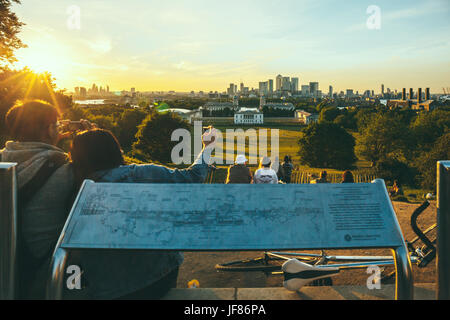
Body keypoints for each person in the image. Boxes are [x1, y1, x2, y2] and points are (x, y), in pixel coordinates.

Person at [66, 128, 215, 300]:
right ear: (116, 150)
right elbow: (192, 177)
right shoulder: (143, 173)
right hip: (160, 277)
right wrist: (208, 147)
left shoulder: (76, 190)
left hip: (109, 289)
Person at [0, 100, 92, 298]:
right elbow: (104, 179)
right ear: (50, 129)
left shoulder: (3, 161)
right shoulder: (64, 170)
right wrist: (92, 137)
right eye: (56, 124)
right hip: (45, 278)